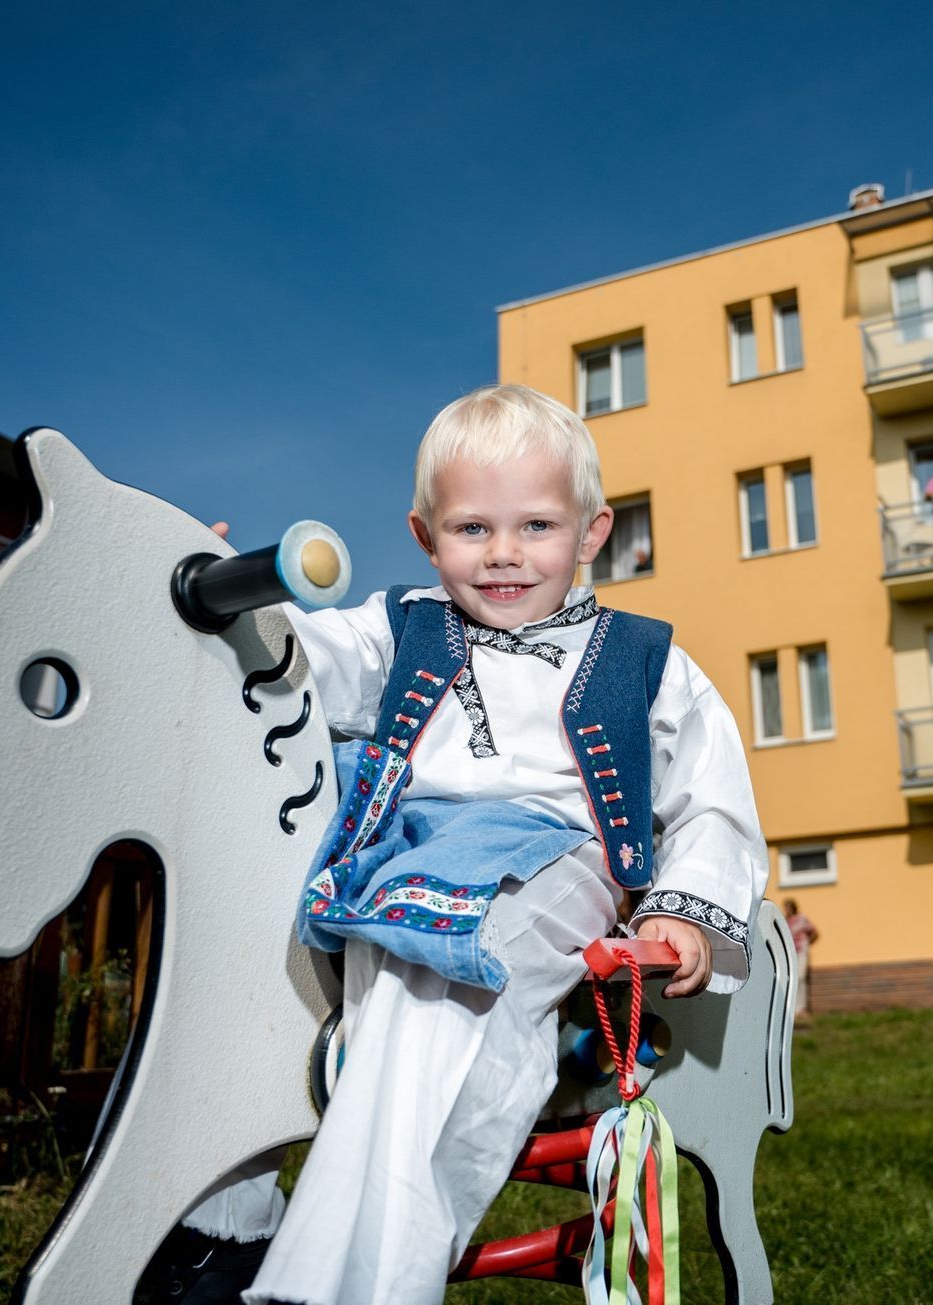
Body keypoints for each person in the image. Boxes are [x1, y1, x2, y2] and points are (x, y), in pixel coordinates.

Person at [176, 384, 767, 1305]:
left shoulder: (645, 659)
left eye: (536, 525)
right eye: (471, 529)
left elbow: (712, 799)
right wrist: (228, 602)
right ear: (424, 535)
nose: (503, 555)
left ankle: (344, 1284)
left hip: (553, 864)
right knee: (251, 930)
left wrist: (682, 909)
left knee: (447, 972)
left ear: (592, 530)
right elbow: (298, 664)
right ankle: (219, 1225)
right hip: (394, 858)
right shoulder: (405, 626)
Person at [783, 898, 818, 1021]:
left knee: (801, 977)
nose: (786, 909)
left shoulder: (802, 919)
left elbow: (814, 932)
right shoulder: (786, 922)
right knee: (792, 978)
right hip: (791, 953)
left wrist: (807, 943)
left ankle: (802, 1008)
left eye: (788, 906)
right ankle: (793, 1008)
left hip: (802, 951)